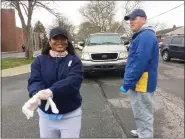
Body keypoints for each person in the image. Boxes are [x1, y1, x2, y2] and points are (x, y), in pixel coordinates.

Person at [27, 26, 83, 138]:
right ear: (49, 41)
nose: (60, 41)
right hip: (46, 116)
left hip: (70, 114)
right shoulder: (39, 60)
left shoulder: (74, 61)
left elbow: (73, 81)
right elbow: (34, 80)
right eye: (55, 38)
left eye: (63, 38)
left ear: (67, 42)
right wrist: (36, 93)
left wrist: (51, 91)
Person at [120, 9, 159, 138]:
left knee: (144, 112)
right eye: (130, 20)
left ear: (144, 19)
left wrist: (128, 82)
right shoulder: (141, 35)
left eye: (134, 18)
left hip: (142, 82)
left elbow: (139, 62)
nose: (131, 22)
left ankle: (145, 135)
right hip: (139, 82)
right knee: (139, 110)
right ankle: (142, 131)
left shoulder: (146, 36)